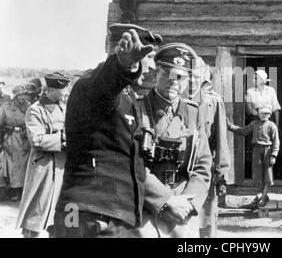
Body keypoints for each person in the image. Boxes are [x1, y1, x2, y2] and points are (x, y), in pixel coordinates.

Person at [54, 23, 183, 238]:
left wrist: (166, 198)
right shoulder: (91, 85)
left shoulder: (128, 97)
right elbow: (105, 84)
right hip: (87, 215)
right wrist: (125, 65)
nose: (151, 67)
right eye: (148, 58)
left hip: (112, 217)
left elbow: (134, 164)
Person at [139, 43, 212, 238]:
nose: (174, 81)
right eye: (168, 74)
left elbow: (203, 165)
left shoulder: (193, 113)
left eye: (181, 77)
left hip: (183, 211)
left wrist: (188, 204)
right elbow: (133, 166)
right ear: (155, 75)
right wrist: (165, 201)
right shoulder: (138, 110)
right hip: (145, 207)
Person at [16, 73, 70, 238]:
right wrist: (63, 137)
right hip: (44, 168)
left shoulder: (63, 106)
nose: (67, 92)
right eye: (64, 89)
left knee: (63, 214)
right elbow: (36, 140)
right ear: (51, 90)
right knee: (36, 213)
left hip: (63, 167)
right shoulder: (35, 110)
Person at [188, 56, 230, 238]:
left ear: (204, 76)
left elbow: (221, 141)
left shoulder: (214, 102)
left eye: (196, 74)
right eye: (188, 74)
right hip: (176, 174)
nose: (192, 79)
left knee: (204, 226)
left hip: (204, 172)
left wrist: (222, 175)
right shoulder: (175, 99)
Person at [227, 106, 279, 208]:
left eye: (266, 113)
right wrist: (230, 127)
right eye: (262, 113)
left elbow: (276, 142)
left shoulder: (272, 126)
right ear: (258, 114)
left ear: (270, 115)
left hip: (267, 151)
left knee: (267, 174)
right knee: (258, 174)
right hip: (256, 150)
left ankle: (263, 197)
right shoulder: (254, 124)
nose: (264, 115)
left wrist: (273, 155)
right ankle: (262, 195)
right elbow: (243, 131)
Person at [0, 85, 30, 202]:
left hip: (24, 138)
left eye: (24, 94)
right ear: (15, 96)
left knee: (22, 165)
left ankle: (19, 190)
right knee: (11, 166)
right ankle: (13, 190)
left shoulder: (28, 107)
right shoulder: (6, 107)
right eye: (21, 95)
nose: (23, 97)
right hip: (10, 138)